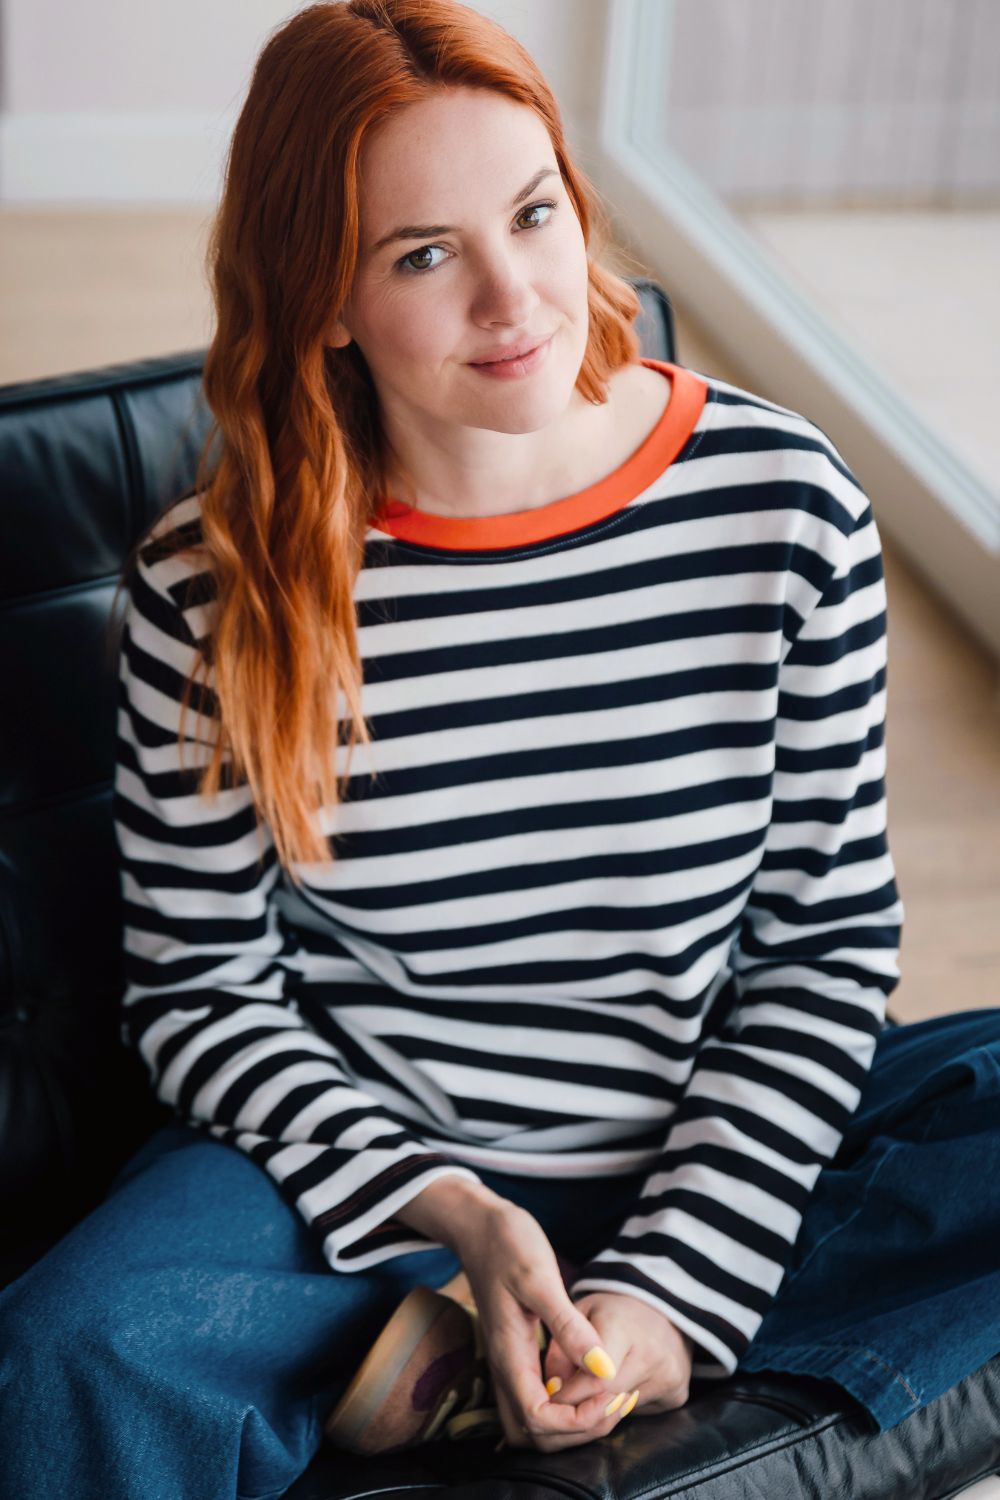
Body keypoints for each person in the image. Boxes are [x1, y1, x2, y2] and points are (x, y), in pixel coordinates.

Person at [1, 1, 999, 1496]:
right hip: (364, 1199)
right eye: (423, 255)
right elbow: (205, 996)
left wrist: (672, 1286)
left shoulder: (784, 505)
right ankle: (453, 1343)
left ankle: (529, 1364)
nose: (515, 297)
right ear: (323, 300)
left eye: (533, 214)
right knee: (66, 1350)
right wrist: (458, 1213)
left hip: (700, 1141)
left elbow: (824, 948)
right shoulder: (213, 590)